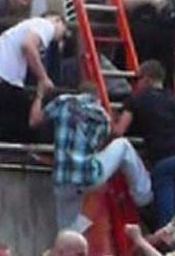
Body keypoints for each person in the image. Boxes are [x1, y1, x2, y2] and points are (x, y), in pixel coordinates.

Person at [29, 83, 152, 232]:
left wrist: (39, 95)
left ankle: (73, 236)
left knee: (66, 233)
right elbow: (100, 146)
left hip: (63, 180)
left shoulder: (63, 101)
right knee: (123, 145)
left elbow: (34, 121)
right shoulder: (103, 117)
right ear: (98, 98)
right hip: (88, 177)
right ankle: (143, 195)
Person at [114, 60, 175, 229]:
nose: (135, 83)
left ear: (147, 79)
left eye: (138, 79)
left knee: (166, 222)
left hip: (163, 158)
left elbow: (119, 131)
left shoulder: (136, 99)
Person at [0, 15, 67, 141]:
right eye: (63, 33)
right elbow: (28, 46)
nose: (59, 38)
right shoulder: (46, 25)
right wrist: (43, 78)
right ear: (57, 20)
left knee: (6, 116)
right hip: (1, 76)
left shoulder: (27, 25)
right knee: (26, 116)